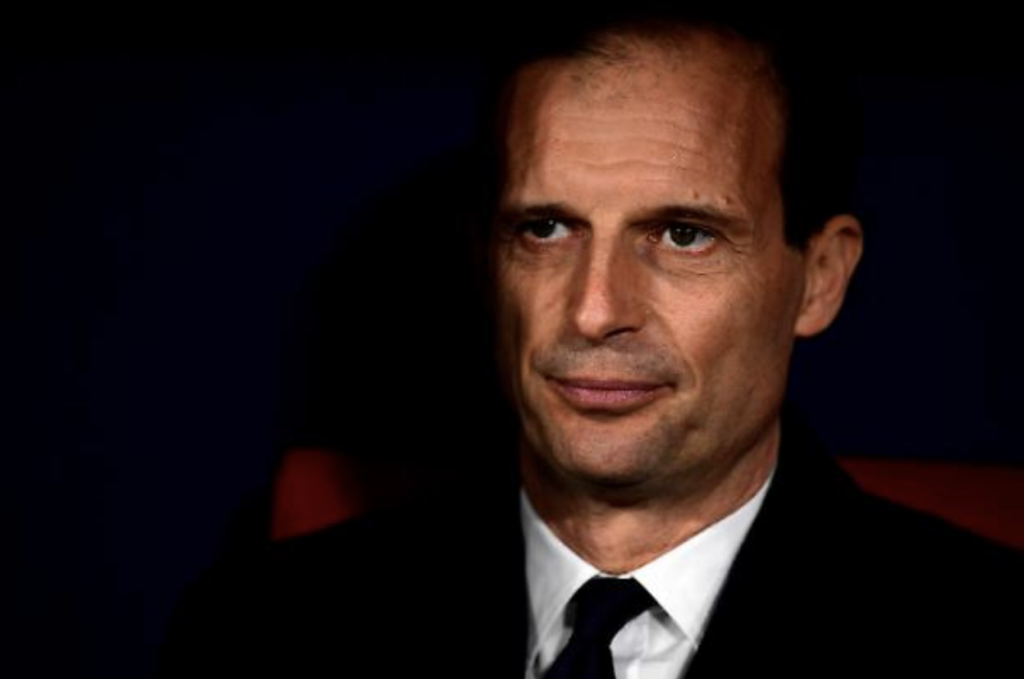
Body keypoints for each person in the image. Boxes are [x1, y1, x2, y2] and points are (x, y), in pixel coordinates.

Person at [155, 8, 1021, 678]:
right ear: (488, 261)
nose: (594, 310)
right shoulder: (256, 633)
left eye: (683, 235)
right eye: (546, 228)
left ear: (820, 276)